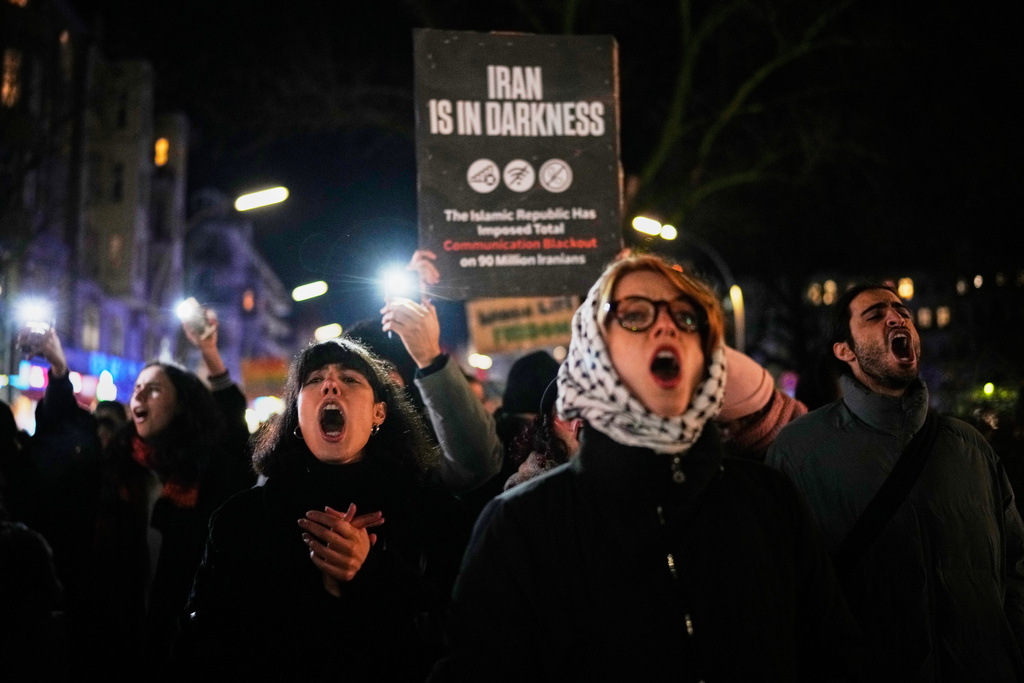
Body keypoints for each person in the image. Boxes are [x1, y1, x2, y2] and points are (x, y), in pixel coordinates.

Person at [429, 254, 864, 681]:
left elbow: (833, 657)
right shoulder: (522, 523)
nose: (666, 325)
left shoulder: (771, 501)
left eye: (687, 317)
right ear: (593, 353)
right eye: (635, 314)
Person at [765, 283, 1024, 681]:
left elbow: (1015, 560)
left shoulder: (970, 447)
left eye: (902, 311)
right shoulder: (800, 452)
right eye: (874, 314)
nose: (897, 317)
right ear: (845, 350)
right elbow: (783, 591)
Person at [174, 337, 471, 680]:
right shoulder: (243, 519)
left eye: (350, 379)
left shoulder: (433, 513)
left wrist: (373, 572)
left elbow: (464, 636)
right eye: (314, 381)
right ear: (298, 415)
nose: (330, 385)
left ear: (379, 412)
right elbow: (200, 643)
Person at [80, 311, 254, 675]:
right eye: (137, 388)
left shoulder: (209, 473)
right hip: (114, 646)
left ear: (181, 406)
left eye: (154, 388)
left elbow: (234, 433)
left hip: (183, 651)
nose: (139, 393)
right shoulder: (114, 469)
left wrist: (210, 353)